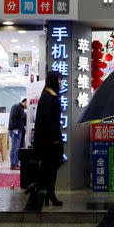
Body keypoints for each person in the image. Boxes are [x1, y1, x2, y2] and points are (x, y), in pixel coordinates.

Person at [33, 71, 64, 206]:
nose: (60, 82)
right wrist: (54, 138)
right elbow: (47, 120)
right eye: (59, 80)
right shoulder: (48, 96)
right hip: (49, 141)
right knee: (49, 167)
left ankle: (47, 192)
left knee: (51, 167)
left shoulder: (50, 95)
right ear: (53, 80)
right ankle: (46, 192)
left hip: (51, 139)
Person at [8, 98, 27, 170]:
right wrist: (14, 128)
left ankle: (16, 163)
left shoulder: (21, 109)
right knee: (15, 147)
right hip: (15, 130)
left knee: (17, 147)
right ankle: (13, 164)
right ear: (25, 102)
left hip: (18, 130)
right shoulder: (16, 106)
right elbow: (13, 118)